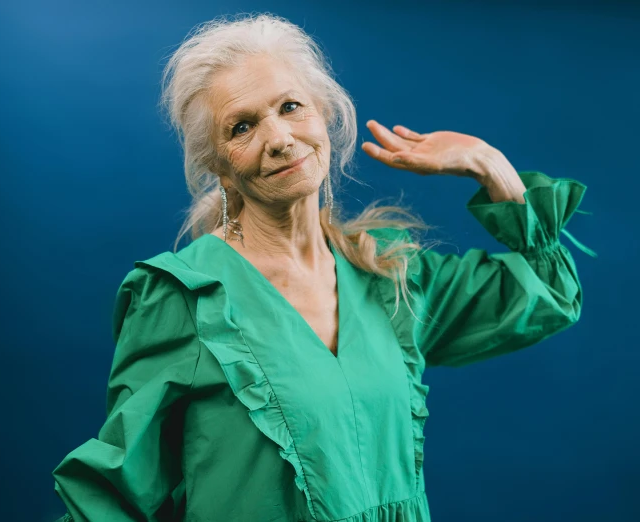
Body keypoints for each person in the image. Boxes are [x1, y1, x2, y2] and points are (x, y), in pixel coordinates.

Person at [51, 13, 595, 522]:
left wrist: (488, 164)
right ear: (219, 167)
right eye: (241, 127)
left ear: (325, 116)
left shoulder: (389, 276)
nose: (279, 138)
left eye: (290, 107)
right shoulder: (184, 298)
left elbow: (551, 290)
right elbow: (111, 495)